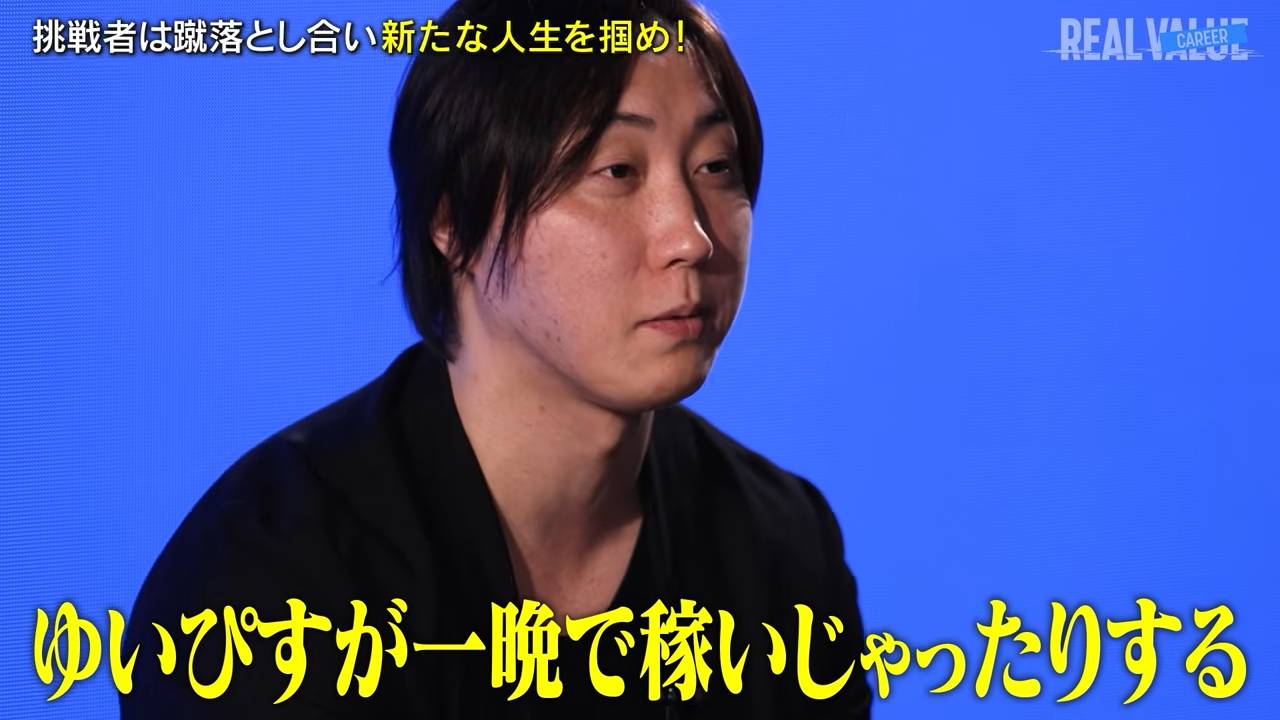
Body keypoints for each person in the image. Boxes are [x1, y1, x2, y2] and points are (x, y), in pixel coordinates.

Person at [121, 1, 873, 717]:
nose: (690, 237)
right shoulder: (265, 586)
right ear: (453, 222)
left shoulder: (780, 549)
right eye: (617, 171)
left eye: (715, 166)